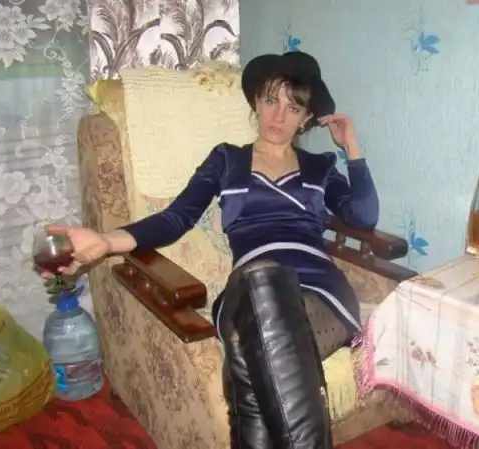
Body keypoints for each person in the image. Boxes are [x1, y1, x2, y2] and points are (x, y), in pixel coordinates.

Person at [43, 51, 379, 448]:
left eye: (293, 108)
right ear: (255, 101)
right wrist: (105, 241)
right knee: (260, 281)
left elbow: (363, 214)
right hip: (247, 291)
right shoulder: (226, 159)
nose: (278, 115)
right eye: (270, 100)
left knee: (249, 357)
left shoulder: (319, 167)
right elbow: (175, 219)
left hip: (319, 293)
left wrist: (351, 146)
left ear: (306, 118)